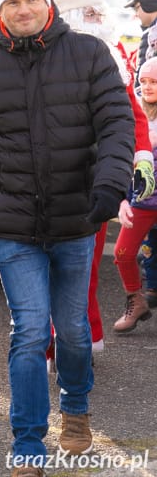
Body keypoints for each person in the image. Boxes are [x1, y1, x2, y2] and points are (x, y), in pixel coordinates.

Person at [0, 0, 135, 476]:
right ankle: (28, 442)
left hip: (77, 218)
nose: (24, 8)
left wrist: (109, 181)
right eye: (13, 1)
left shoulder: (89, 52)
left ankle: (75, 408)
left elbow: (118, 123)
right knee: (30, 331)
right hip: (12, 227)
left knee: (73, 331)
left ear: (47, 1)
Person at [48, 0, 153, 357]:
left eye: (98, 13)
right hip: (47, 180)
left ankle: (83, 340)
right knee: (47, 273)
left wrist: (141, 155)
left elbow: (132, 114)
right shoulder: (45, 59)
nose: (97, 20)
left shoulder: (116, 54)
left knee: (85, 270)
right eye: (87, 14)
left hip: (96, 180)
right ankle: (49, 345)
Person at [112, 57, 157, 332]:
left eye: (154, 82)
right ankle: (135, 301)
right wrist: (122, 198)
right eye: (143, 81)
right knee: (122, 252)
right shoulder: (133, 111)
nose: (148, 87)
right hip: (142, 199)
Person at [125, 0, 157, 85]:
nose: (136, 14)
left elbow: (143, 81)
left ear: (147, 5)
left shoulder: (150, 36)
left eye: (136, 8)